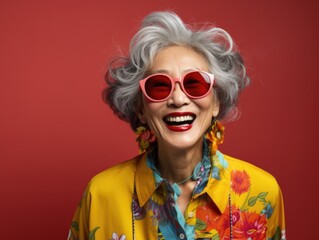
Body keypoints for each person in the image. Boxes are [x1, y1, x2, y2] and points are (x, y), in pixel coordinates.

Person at [68, 11, 286, 240]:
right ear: (140, 108)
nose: (178, 99)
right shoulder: (101, 194)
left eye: (195, 83)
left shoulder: (263, 192)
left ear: (216, 103)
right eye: (159, 86)